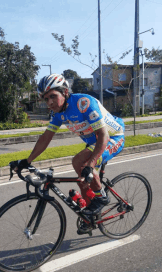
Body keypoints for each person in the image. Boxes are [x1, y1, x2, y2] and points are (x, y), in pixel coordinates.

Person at [14, 74, 125, 232]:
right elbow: (46, 138)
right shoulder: (58, 114)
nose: (50, 102)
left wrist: (90, 164)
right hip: (95, 142)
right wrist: (28, 160)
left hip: (112, 137)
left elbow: (103, 136)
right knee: (82, 179)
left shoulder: (83, 104)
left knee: (80, 162)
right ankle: (90, 217)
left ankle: (101, 199)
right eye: (46, 99)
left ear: (65, 92)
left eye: (53, 96)